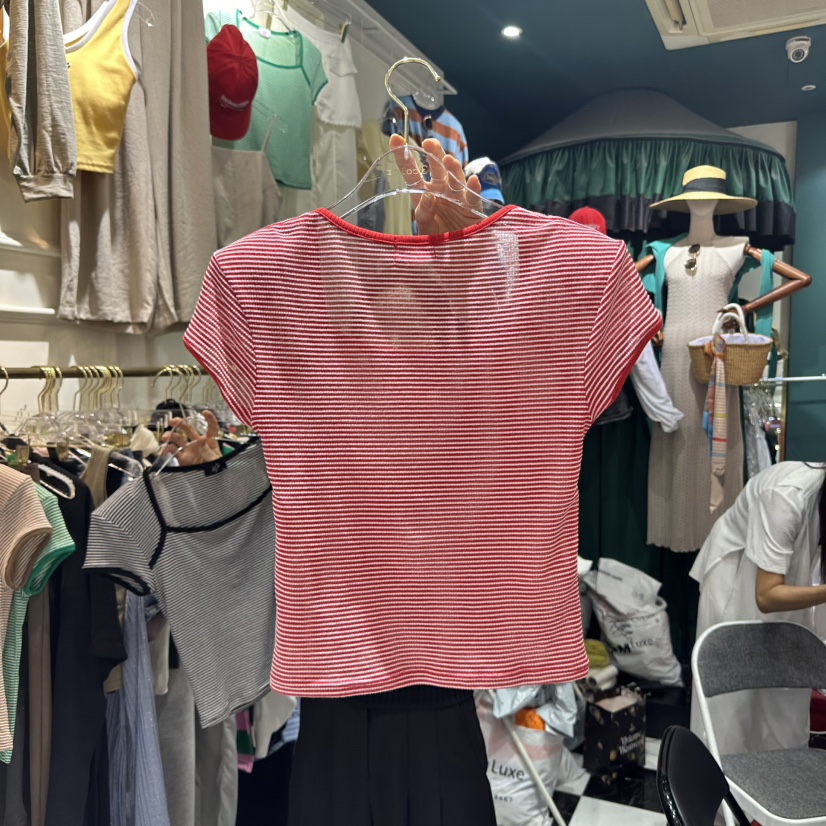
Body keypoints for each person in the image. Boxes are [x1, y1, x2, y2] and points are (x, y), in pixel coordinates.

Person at [689, 460, 826, 754]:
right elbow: (766, 596)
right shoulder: (786, 495)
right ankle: (724, 779)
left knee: (787, 697)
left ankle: (783, 772)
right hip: (737, 577)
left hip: (786, 582)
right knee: (732, 707)